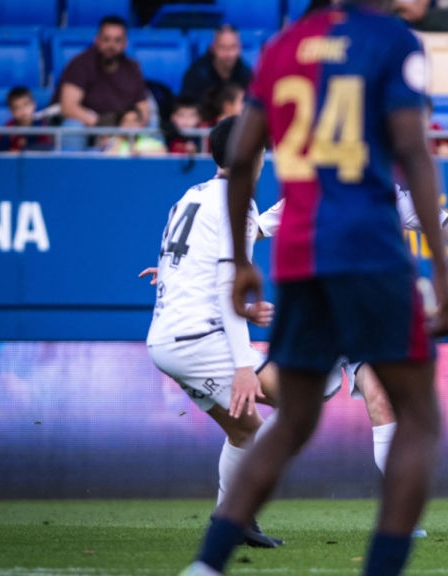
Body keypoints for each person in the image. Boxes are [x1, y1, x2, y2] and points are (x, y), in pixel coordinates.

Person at [182, 0, 448, 575]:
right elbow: (412, 149)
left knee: (293, 421)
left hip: (301, 256)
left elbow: (241, 156)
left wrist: (240, 262)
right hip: (369, 250)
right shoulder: (392, 40)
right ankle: (382, 567)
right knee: (419, 416)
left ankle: (207, 565)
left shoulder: (282, 47)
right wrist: (438, 268)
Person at [144, 116, 285, 550]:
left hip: (172, 337)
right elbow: (229, 284)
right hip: (196, 340)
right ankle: (233, 518)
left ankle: (234, 520)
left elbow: (202, 256)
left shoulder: (194, 194)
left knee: (247, 430)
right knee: (283, 412)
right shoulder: (235, 204)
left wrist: (176, 273)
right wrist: (244, 367)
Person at [54, 16, 149, 151]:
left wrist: (130, 126)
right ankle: (72, 170)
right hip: (91, 127)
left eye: (117, 40)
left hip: (123, 127)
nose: (111, 45)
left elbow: (143, 108)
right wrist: (103, 127)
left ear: (125, 43)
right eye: (106, 39)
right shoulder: (80, 64)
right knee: (72, 127)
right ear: (97, 40)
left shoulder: (133, 67)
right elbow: (68, 107)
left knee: (153, 127)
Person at [180, 25, 254, 104]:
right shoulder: (196, 75)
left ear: (240, 48)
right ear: (213, 48)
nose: (228, 54)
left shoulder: (246, 74)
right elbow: (188, 109)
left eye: (233, 47)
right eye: (223, 47)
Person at [0, 87, 53, 152]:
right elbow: (1, 153)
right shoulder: (8, 128)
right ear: (11, 111)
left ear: (34, 104)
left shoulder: (41, 126)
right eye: (17, 108)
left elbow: (46, 147)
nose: (23, 111)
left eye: (26, 104)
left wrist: (23, 150)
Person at [102, 108, 167, 156]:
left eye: (134, 121)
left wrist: (140, 152)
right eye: (126, 121)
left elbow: (163, 151)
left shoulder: (145, 140)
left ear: (140, 124)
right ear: (120, 124)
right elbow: (107, 159)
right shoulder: (113, 141)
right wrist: (119, 140)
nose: (130, 125)